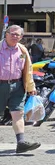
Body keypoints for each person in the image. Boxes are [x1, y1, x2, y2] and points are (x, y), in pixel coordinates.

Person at [0, 25, 40, 153]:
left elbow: (28, 69)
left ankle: (21, 142)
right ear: (6, 34)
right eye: (12, 33)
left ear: (21, 37)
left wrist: (30, 86)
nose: (14, 36)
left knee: (18, 113)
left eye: (17, 35)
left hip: (17, 86)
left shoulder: (22, 51)